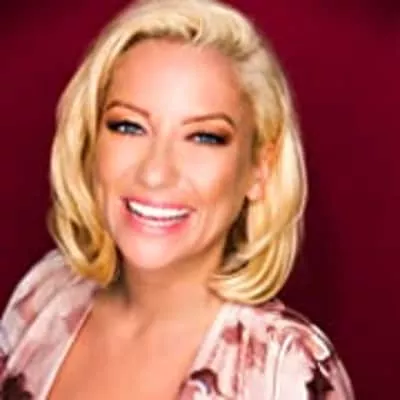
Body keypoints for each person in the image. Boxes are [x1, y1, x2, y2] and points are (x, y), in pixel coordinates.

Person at [0, 0, 354, 398]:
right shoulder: (44, 295)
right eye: (128, 126)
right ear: (90, 142)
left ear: (260, 169)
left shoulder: (287, 370)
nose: (155, 173)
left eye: (204, 137)